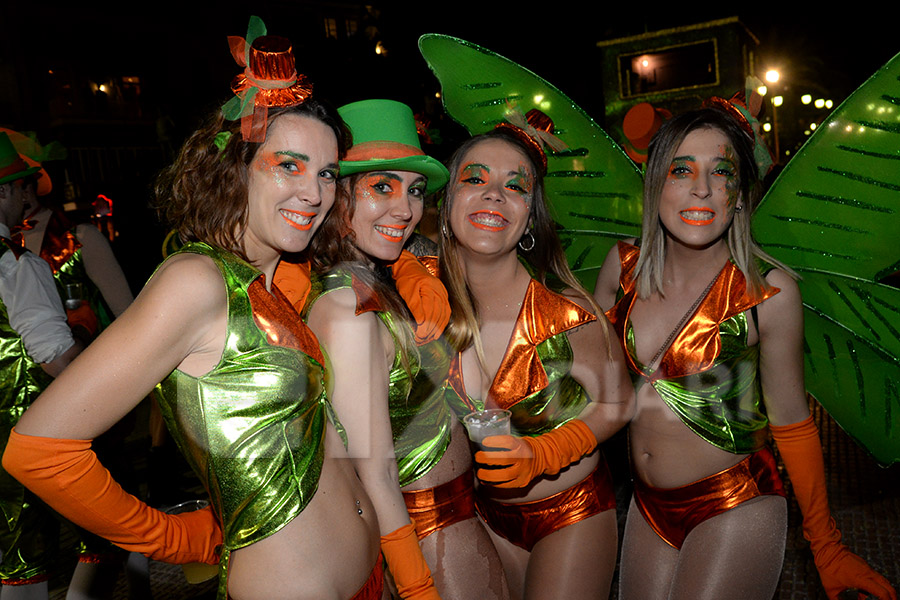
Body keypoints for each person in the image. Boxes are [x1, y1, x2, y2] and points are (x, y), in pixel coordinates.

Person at [2, 21, 385, 600]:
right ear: (236, 167)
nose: (315, 192)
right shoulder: (196, 280)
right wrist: (173, 538)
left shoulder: (274, 278)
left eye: (327, 172)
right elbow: (39, 450)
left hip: (362, 571)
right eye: (289, 165)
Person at [593, 103, 897, 600]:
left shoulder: (767, 293)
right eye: (682, 170)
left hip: (736, 503)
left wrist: (826, 545)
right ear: (655, 186)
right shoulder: (621, 267)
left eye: (722, 172)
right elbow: (586, 373)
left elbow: (793, 421)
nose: (702, 189)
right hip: (646, 507)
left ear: (740, 196)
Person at [290, 98, 509, 600]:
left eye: (414, 191)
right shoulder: (348, 308)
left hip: (461, 521)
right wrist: (417, 586)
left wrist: (426, 274)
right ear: (337, 196)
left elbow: (471, 395)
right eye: (382, 187)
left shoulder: (385, 284)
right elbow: (377, 472)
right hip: (427, 541)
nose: (406, 209)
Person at [437, 112, 633, 600]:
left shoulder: (567, 313)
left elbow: (619, 403)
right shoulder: (423, 306)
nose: (494, 194)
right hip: (482, 517)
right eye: (475, 179)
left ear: (529, 217)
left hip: (571, 515)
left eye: (515, 187)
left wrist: (545, 452)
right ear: (447, 205)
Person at [0, 131, 82, 599]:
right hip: (16, 441)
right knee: (24, 573)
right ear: (4, 191)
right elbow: (58, 362)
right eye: (19, 187)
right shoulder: (18, 265)